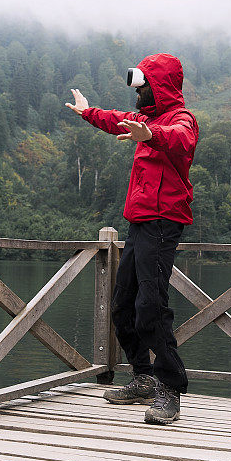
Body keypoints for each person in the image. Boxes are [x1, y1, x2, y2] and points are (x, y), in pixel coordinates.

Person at [65, 53, 199, 424]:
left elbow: (181, 140)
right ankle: (142, 377)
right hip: (140, 222)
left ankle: (169, 389)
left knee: (150, 307)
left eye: (143, 87)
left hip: (163, 222)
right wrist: (88, 112)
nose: (137, 96)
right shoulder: (148, 118)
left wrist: (152, 134)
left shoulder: (179, 120)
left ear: (159, 87)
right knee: (123, 304)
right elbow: (116, 120)